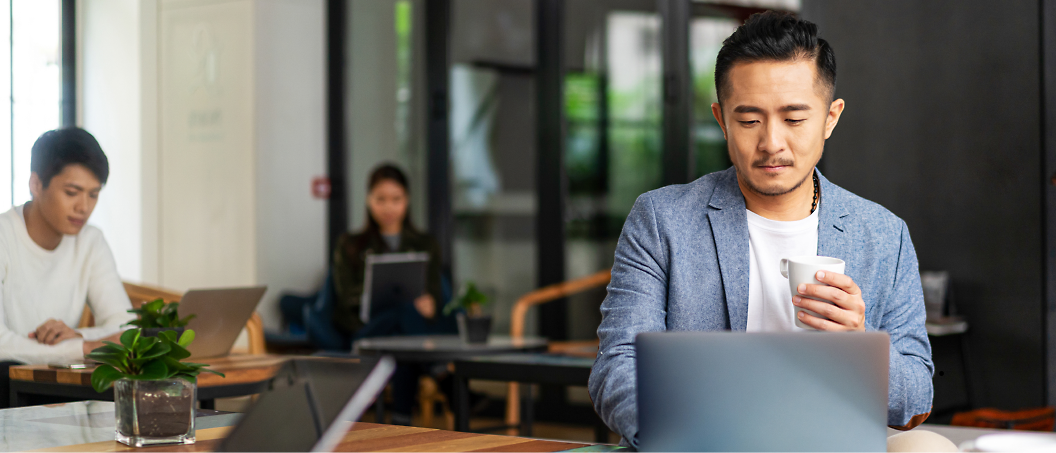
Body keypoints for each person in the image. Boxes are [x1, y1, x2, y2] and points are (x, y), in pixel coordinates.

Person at [587, 11, 933, 448]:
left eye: (793, 119)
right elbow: (617, 367)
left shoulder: (884, 234)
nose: (771, 142)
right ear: (721, 119)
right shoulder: (662, 219)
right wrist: (697, 436)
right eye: (749, 120)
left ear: (830, 118)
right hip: (703, 440)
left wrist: (859, 345)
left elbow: (918, 396)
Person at [0, 128, 133, 372]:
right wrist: (83, 348)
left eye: (93, 195)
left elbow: (125, 327)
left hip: (59, 384)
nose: (83, 207)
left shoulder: (90, 241)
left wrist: (77, 336)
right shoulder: (4, 236)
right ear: (36, 184)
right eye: (71, 193)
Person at [331, 163, 451, 425]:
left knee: (401, 337)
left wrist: (429, 304)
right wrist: (375, 298)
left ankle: (401, 421)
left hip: (407, 331)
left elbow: (434, 297)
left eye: (396, 199)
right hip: (367, 330)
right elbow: (344, 300)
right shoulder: (350, 245)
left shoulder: (425, 243)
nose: (388, 208)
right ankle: (441, 375)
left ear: (406, 201)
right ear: (368, 200)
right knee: (403, 315)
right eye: (381, 199)